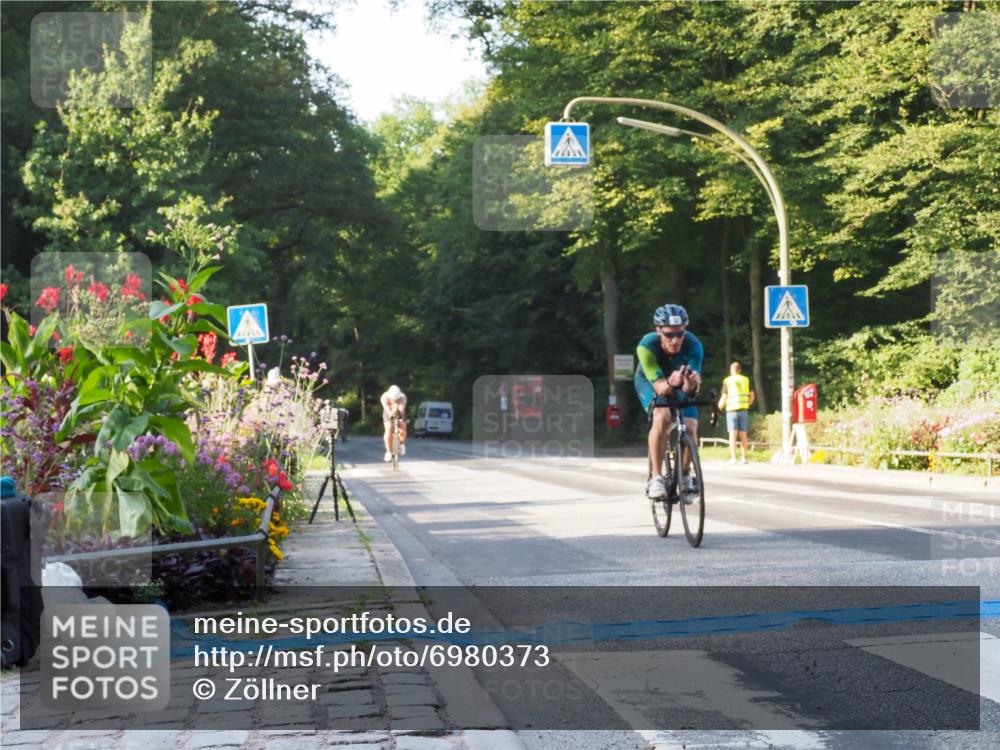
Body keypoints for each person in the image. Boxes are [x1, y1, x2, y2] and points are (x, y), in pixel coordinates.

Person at [634, 304, 703, 500]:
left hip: (678, 381)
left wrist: (691, 383)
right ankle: (656, 477)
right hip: (652, 382)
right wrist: (670, 383)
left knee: (691, 427)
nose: (675, 340)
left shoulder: (694, 345)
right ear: (658, 331)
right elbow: (662, 389)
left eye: (680, 334)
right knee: (662, 417)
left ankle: (685, 475)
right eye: (669, 335)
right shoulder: (646, 346)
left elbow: (691, 390)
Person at [718, 362, 756, 464]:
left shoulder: (728, 381)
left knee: (732, 435)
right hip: (743, 410)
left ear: (731, 370)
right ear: (740, 370)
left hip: (731, 411)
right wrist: (747, 404)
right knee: (743, 434)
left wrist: (717, 410)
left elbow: (724, 397)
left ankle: (733, 458)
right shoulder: (745, 380)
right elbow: (752, 396)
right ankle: (744, 458)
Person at [380, 385, 408, 462]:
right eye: (393, 399)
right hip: (388, 412)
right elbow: (387, 410)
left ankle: (402, 444)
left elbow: (401, 410)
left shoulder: (403, 397)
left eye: (397, 399)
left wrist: (400, 419)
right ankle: (388, 452)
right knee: (388, 429)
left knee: (403, 426)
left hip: (399, 411)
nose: (395, 400)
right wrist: (391, 415)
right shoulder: (384, 397)